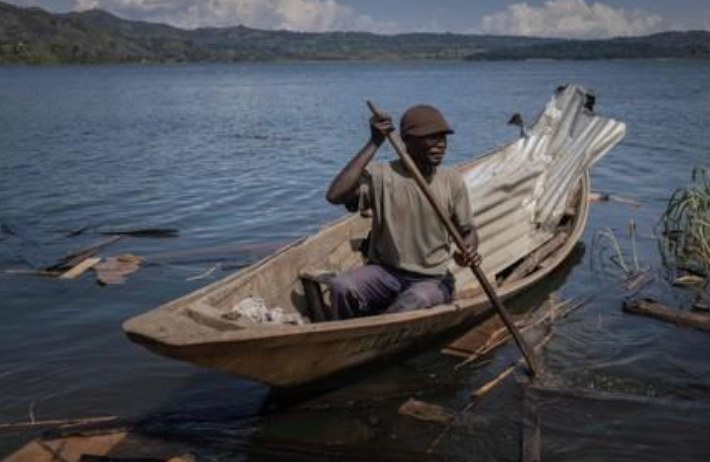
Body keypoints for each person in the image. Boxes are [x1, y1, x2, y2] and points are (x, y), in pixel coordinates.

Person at [324, 104, 481, 320]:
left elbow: (468, 230)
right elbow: (335, 195)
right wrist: (374, 142)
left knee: (416, 299)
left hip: (432, 279)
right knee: (342, 286)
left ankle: (373, 331)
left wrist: (468, 251)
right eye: (431, 138)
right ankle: (348, 333)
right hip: (386, 271)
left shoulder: (450, 180)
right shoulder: (382, 175)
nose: (440, 145)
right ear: (407, 141)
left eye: (443, 138)